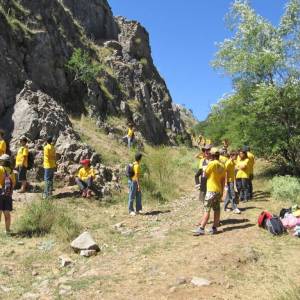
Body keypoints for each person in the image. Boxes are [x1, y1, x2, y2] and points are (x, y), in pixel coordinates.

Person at [194, 148, 225, 236]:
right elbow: (223, 179)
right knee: (216, 209)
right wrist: (222, 192)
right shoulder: (222, 165)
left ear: (212, 155)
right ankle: (214, 228)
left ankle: (201, 228)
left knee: (207, 209)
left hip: (211, 189)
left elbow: (205, 174)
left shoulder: (211, 163)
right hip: (218, 190)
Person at [0, 154, 16, 234]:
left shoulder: (0, 169)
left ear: (2, 161)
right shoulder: (12, 171)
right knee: (7, 213)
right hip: (8, 194)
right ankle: (7, 230)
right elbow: (13, 184)